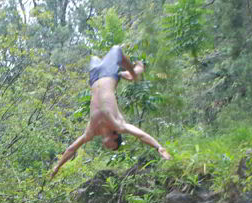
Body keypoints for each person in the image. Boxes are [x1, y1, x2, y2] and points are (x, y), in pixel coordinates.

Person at [50, 45, 171, 179]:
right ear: (116, 138)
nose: (109, 148)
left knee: (94, 58)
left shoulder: (91, 132)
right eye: (113, 147)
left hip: (95, 78)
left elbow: (72, 149)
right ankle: (135, 73)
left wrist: (58, 166)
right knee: (116, 49)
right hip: (108, 73)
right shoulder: (118, 124)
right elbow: (141, 135)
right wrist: (159, 147)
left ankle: (124, 74)